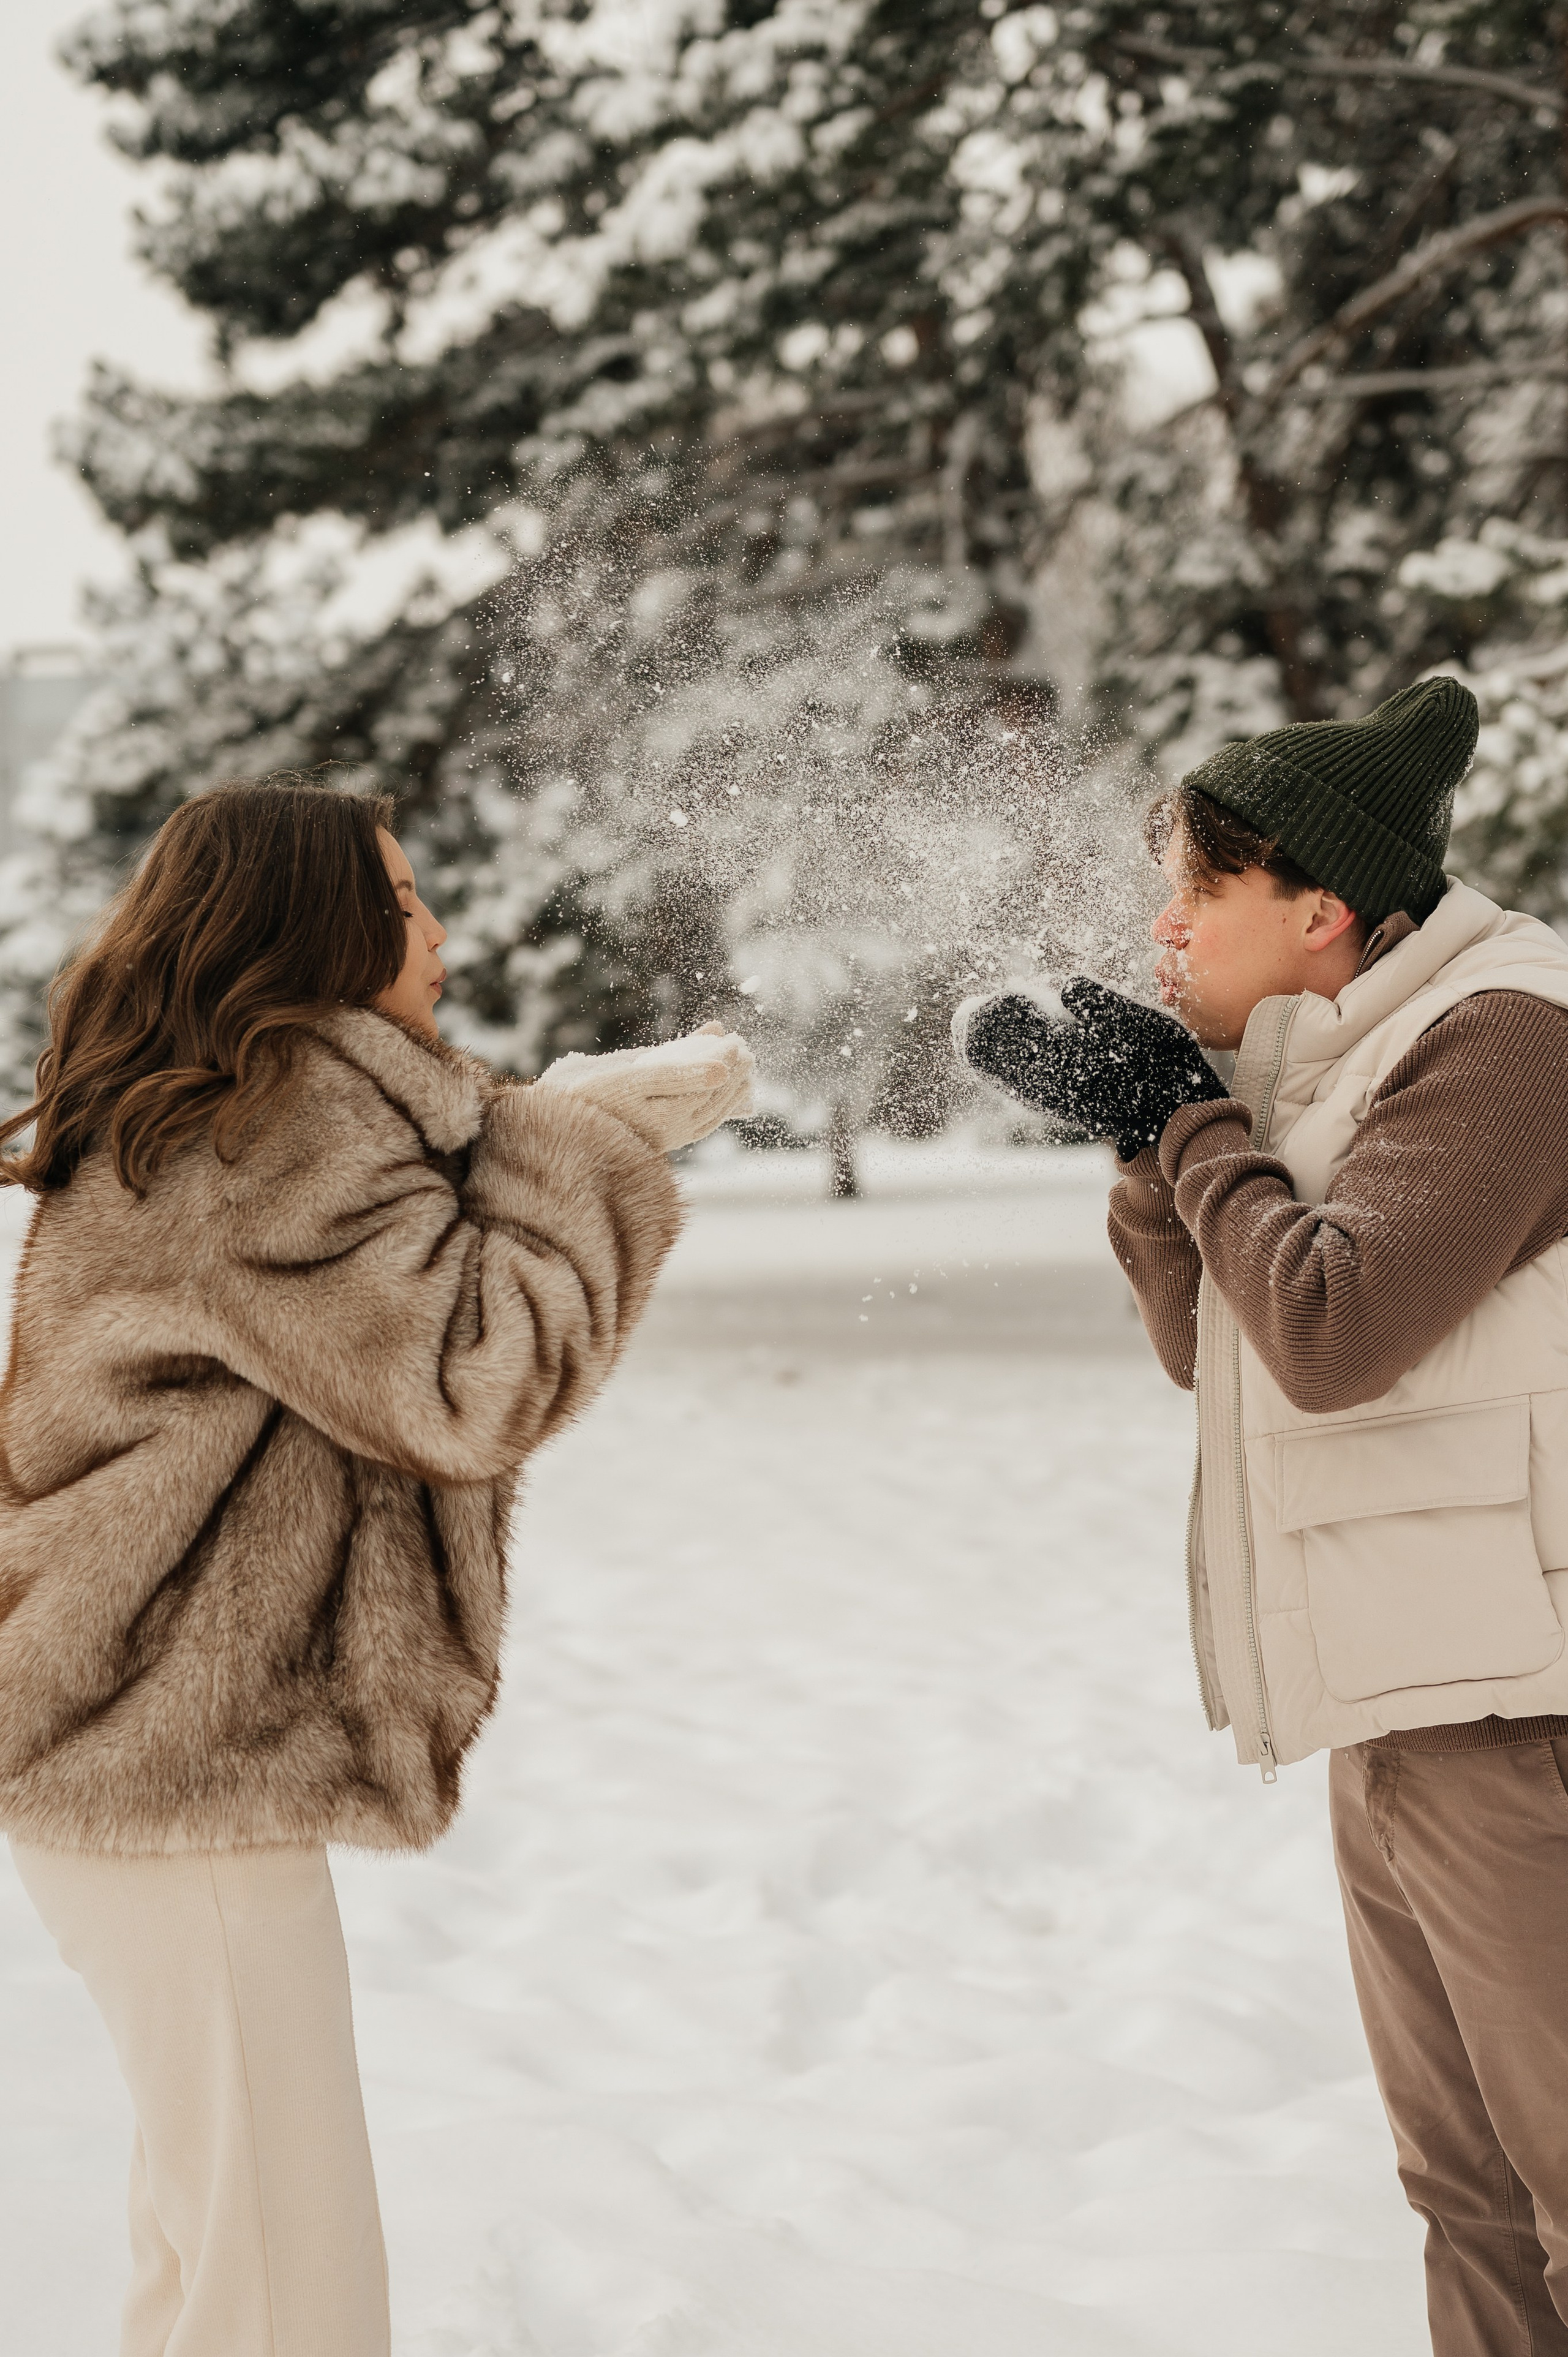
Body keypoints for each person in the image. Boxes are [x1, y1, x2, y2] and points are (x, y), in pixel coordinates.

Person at [0, 777, 753, 2357]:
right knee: (288, 2288)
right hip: (171, 1767)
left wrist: (549, 1124)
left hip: (140, 1756)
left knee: (216, 2260)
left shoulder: (242, 1115)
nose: (441, 935)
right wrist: (584, 1146)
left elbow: (392, 1283)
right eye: (404, 906)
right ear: (320, 927)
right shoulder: (272, 1124)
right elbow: (472, 1374)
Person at [954, 676, 1568, 2356]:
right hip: (1409, 1695)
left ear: (1320, 911)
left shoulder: (1511, 1035)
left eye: (1199, 892)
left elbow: (1329, 1327)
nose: (1165, 928)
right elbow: (1210, 1348)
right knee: (1465, 2192)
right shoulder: (1326, 1065)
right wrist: (1147, 1142)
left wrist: (1187, 1116)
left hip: (1525, 1717)